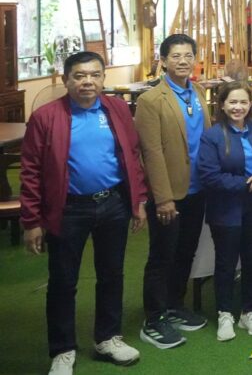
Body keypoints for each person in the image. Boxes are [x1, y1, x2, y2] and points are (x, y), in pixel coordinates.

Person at [21, 51, 148, 374]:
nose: (87, 82)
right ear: (66, 80)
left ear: (103, 79)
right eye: (79, 76)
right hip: (68, 209)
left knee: (112, 274)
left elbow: (132, 155)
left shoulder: (118, 109)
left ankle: (108, 338)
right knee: (63, 281)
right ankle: (63, 350)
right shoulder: (46, 117)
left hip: (113, 204)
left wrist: (138, 201)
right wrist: (32, 220)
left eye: (94, 75)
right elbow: (31, 171)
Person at [134, 34, 212, 349]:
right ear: (163, 61)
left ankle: (175, 305)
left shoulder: (199, 92)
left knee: (185, 252)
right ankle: (154, 318)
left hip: (198, 188)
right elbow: (150, 152)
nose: (183, 61)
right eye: (176, 56)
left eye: (188, 55)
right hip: (169, 193)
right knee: (162, 255)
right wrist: (162, 198)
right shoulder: (151, 100)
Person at [196, 81, 252, 343]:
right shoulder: (212, 136)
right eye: (232, 102)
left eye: (243, 102)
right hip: (226, 209)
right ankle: (225, 313)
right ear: (222, 105)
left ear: (250, 104)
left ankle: (249, 312)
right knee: (225, 262)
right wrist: (248, 184)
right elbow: (209, 175)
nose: (238, 107)